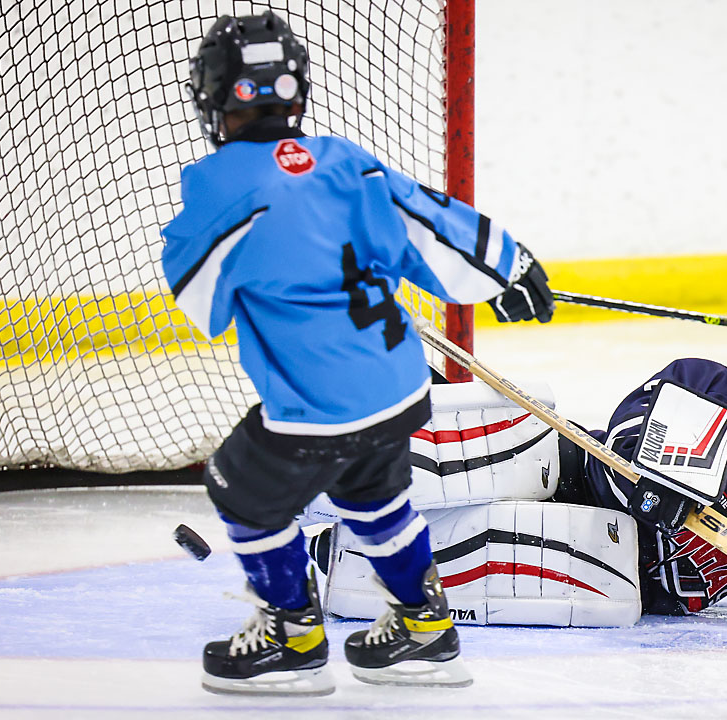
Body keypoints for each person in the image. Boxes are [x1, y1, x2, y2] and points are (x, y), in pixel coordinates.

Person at [160, 11, 555, 696]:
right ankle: (425, 627)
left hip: (318, 405)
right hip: (400, 387)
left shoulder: (218, 183)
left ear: (217, 98)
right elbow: (431, 224)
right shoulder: (346, 160)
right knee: (373, 497)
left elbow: (201, 302)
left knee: (239, 489)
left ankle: (292, 634)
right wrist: (509, 270)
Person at [310, 318, 727, 627]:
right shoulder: (705, 387)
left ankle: (354, 553)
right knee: (520, 437)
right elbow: (621, 445)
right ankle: (359, 411)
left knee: (549, 552)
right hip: (579, 477)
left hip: (617, 574)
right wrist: (647, 481)